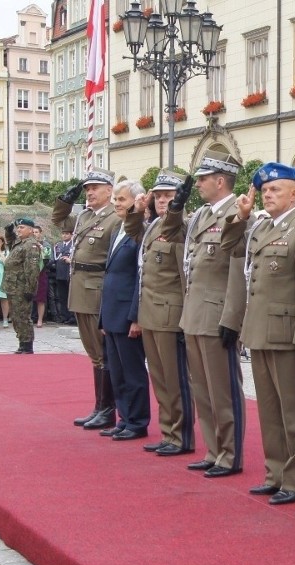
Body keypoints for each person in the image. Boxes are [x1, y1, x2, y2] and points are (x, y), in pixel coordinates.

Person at [221, 163, 295, 505]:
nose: (268, 195)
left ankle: (294, 479)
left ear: (294, 193)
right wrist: (241, 217)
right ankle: (274, 473)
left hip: (285, 331)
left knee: (292, 411)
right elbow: (229, 246)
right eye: (265, 191)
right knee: (269, 410)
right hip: (258, 329)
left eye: (276, 190)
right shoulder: (259, 227)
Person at [181, 151, 248, 478]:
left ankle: (230, 453)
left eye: (204, 178)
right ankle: (213, 448)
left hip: (217, 314)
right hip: (195, 313)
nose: (199, 184)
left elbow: (239, 269)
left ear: (220, 181)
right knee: (202, 389)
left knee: (223, 390)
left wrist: (232, 318)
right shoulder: (204, 216)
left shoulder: (238, 214)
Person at [127, 170, 195, 457]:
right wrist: (138, 208)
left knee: (174, 378)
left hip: (170, 313)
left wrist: (177, 204)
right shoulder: (153, 226)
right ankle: (168, 432)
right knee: (159, 377)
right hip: (150, 312)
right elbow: (132, 230)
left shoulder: (179, 225)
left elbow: (175, 219)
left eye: (169, 195)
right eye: (159, 196)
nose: (163, 200)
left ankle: (181, 436)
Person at [52, 170, 120, 430]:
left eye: (95, 187)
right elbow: (58, 220)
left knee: (102, 353)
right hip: (80, 288)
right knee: (93, 354)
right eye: (87, 188)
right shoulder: (84, 216)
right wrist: (65, 201)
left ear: (109, 190)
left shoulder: (115, 218)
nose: (90, 192)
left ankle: (107, 409)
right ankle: (99, 406)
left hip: (97, 289)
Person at [98, 180, 152, 440]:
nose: (117, 204)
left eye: (122, 199)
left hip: (128, 313)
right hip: (111, 312)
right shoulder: (118, 229)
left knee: (133, 371)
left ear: (137, 201)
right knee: (117, 370)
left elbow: (139, 277)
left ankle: (138, 421)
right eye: (116, 199)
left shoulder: (140, 230)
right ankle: (124, 417)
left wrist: (136, 316)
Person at [2, 218, 41, 354]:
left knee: (22, 315)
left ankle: (27, 344)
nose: (19, 230)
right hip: (13, 285)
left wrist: (30, 289)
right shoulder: (20, 243)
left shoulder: (31, 245)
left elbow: (32, 269)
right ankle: (22, 342)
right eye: (18, 228)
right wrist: (8, 231)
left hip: (21, 286)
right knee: (16, 315)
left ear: (30, 230)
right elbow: (9, 241)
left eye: (22, 227)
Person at [32, 225, 52, 328]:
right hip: (29, 273)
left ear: (40, 233)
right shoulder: (28, 244)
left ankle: (40, 319)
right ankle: (30, 318)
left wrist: (41, 248)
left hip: (41, 273)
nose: (34, 234)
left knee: (41, 298)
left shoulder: (46, 244)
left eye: (36, 232)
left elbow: (48, 257)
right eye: (33, 232)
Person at [53, 229, 75, 324]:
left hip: (69, 274)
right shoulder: (58, 246)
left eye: (67, 234)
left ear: (71, 235)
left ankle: (72, 317)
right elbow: (54, 258)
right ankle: (64, 316)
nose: (64, 236)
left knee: (71, 296)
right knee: (62, 297)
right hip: (60, 273)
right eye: (63, 234)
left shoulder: (74, 245)